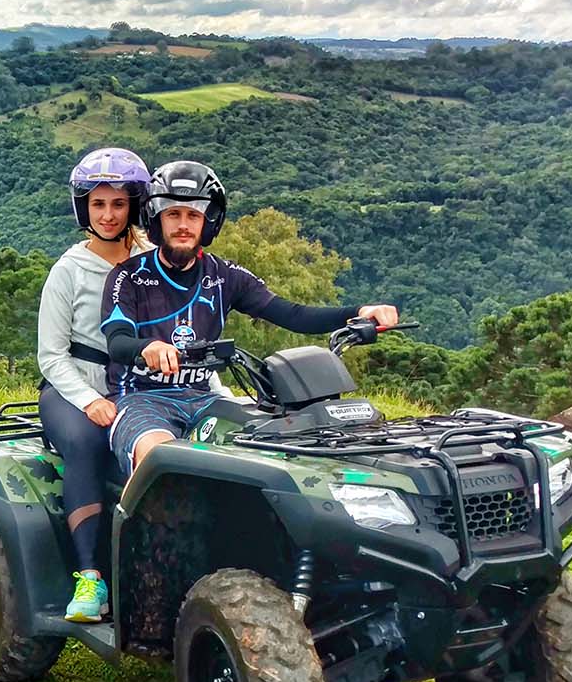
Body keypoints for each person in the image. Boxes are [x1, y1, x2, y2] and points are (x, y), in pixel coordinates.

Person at [101, 160, 398, 479]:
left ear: (208, 222)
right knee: (161, 458)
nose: (183, 225)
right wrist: (147, 347)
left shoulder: (225, 276)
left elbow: (293, 314)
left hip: (205, 399)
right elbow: (118, 341)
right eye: (173, 214)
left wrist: (358, 312)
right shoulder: (128, 276)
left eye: (193, 215)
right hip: (141, 398)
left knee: (273, 449)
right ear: (156, 219)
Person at [37, 147, 153, 623]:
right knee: (88, 442)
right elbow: (50, 355)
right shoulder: (69, 269)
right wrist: (89, 400)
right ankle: (90, 577)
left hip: (138, 384)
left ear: (134, 206)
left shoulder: (151, 262)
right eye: (98, 204)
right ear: (83, 207)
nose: (108, 215)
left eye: (119, 204)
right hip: (72, 387)